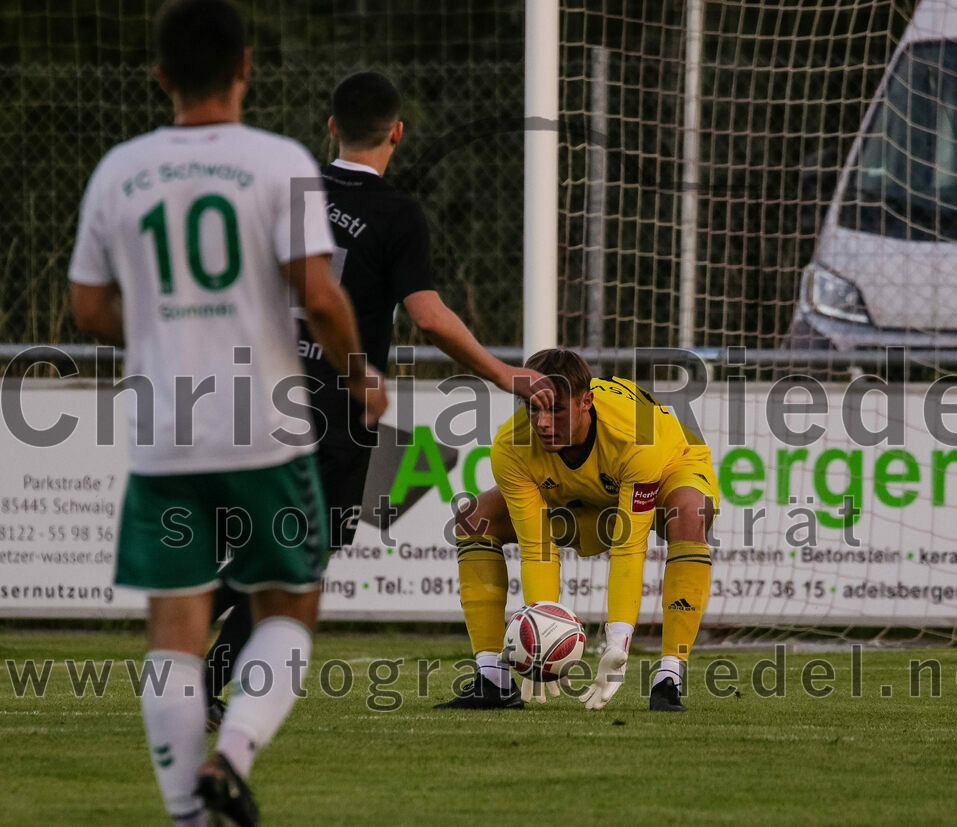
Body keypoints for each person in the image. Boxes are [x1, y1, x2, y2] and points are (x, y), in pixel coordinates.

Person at [68, 1, 386, 824]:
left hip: (165, 432)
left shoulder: (119, 170)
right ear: (246, 66)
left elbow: (88, 305)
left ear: (160, 75)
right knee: (290, 604)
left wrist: (162, 331)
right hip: (263, 430)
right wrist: (359, 375)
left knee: (174, 629)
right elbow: (321, 297)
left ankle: (188, 814)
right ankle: (231, 754)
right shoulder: (278, 162)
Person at [202, 70, 551, 726]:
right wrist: (503, 373)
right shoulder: (396, 215)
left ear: (331, 125)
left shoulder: (287, 188)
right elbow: (428, 316)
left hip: (256, 391)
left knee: (286, 548)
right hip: (333, 406)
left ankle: (195, 657)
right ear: (397, 132)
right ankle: (199, 664)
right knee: (299, 554)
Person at [435, 348, 719, 712]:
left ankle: (669, 677)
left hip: (670, 468)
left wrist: (617, 642)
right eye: (532, 408)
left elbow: (628, 547)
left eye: (555, 410)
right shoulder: (510, 446)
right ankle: (493, 680)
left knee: (690, 513)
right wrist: (540, 639)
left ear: (587, 402)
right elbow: (537, 549)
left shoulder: (638, 434)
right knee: (473, 520)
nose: (542, 423)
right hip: (583, 499)